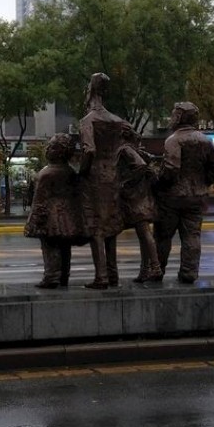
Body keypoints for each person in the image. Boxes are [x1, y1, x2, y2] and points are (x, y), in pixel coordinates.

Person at [152, 101, 214, 284]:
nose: (171, 118)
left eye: (173, 114)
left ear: (179, 117)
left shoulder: (173, 140)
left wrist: (157, 181)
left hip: (172, 197)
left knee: (163, 235)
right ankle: (189, 272)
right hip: (197, 196)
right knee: (192, 235)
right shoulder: (205, 140)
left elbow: (170, 169)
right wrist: (204, 181)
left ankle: (157, 270)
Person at [78, 73, 129, 289]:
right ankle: (113, 273)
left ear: (90, 91)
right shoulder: (117, 121)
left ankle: (101, 276)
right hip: (114, 176)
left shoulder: (88, 121)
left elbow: (89, 150)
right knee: (111, 225)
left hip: (96, 177)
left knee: (97, 226)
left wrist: (81, 173)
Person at [24, 133, 87, 288]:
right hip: (68, 215)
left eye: (51, 147)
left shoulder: (45, 173)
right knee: (65, 247)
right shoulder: (70, 171)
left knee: (49, 246)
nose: (47, 149)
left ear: (57, 151)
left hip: (50, 215)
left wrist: (34, 221)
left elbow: (39, 199)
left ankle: (51, 277)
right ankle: (64, 275)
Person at [118, 125, 162, 283]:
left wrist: (125, 183)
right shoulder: (135, 150)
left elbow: (141, 166)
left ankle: (155, 267)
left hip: (136, 198)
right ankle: (145, 270)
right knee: (143, 234)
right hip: (141, 196)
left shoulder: (125, 149)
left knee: (144, 233)